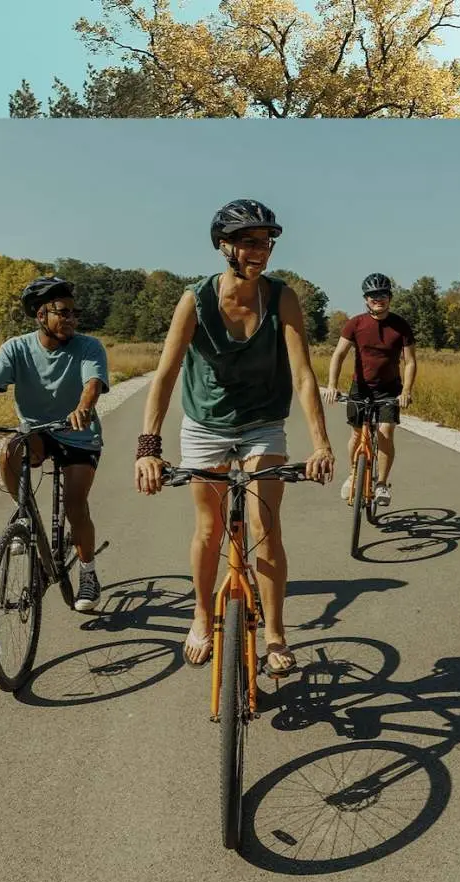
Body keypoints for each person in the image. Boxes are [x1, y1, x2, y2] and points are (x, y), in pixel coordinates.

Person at [133, 199, 335, 676]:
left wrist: (321, 444)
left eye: (265, 242)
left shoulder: (281, 297)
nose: (259, 251)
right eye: (248, 242)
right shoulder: (195, 300)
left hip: (263, 422)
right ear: (223, 246)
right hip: (206, 424)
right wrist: (148, 448)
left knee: (266, 528)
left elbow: (304, 375)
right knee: (209, 527)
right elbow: (164, 375)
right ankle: (202, 616)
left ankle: (275, 634)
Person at [0, 275, 109, 612]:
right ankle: (25, 519)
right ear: (41, 316)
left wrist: (83, 409)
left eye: (73, 313)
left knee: (75, 506)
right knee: (9, 450)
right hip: (37, 432)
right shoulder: (16, 348)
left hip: (78, 434)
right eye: (62, 313)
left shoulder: (89, 346)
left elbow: (92, 383)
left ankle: (89, 573)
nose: (71, 319)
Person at [326, 273, 417, 508]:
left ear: (389, 297)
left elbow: (411, 362)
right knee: (357, 434)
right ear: (366, 299)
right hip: (361, 388)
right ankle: (353, 473)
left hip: (389, 389)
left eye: (383, 295)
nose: (378, 299)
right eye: (373, 296)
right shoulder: (355, 324)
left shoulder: (400, 325)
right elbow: (339, 355)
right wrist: (333, 385)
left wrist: (406, 390)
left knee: (385, 431)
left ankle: (382, 484)